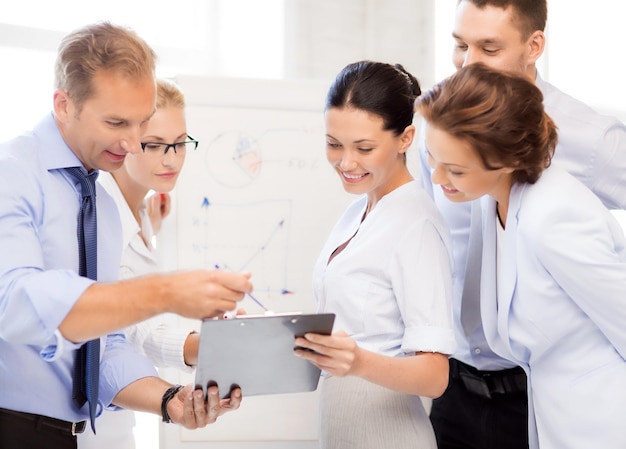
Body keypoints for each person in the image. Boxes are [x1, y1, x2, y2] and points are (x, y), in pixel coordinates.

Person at [0, 22, 252, 449]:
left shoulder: (101, 204)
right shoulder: (12, 173)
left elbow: (103, 346)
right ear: (63, 104)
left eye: (141, 123)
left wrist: (171, 400)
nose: (133, 143)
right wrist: (164, 293)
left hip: (69, 437)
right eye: (117, 122)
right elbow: (15, 302)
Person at [417, 1, 626, 448]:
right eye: (460, 45)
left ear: (534, 46)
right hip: (474, 386)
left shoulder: (555, 208)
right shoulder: (462, 144)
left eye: (489, 47)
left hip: (586, 417)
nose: (469, 63)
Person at [293, 60, 456, 449]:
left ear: (405, 138)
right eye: (334, 144)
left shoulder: (416, 224)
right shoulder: (358, 212)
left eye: (364, 148)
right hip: (344, 421)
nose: (346, 163)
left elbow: (435, 376)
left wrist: (359, 362)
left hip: (389, 429)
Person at [78, 78, 202, 448]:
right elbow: (132, 331)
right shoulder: (100, 218)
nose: (171, 159)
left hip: (119, 418)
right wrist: (209, 346)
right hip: (92, 426)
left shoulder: (142, 212)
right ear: (126, 143)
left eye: (180, 144)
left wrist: (151, 226)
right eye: (155, 146)